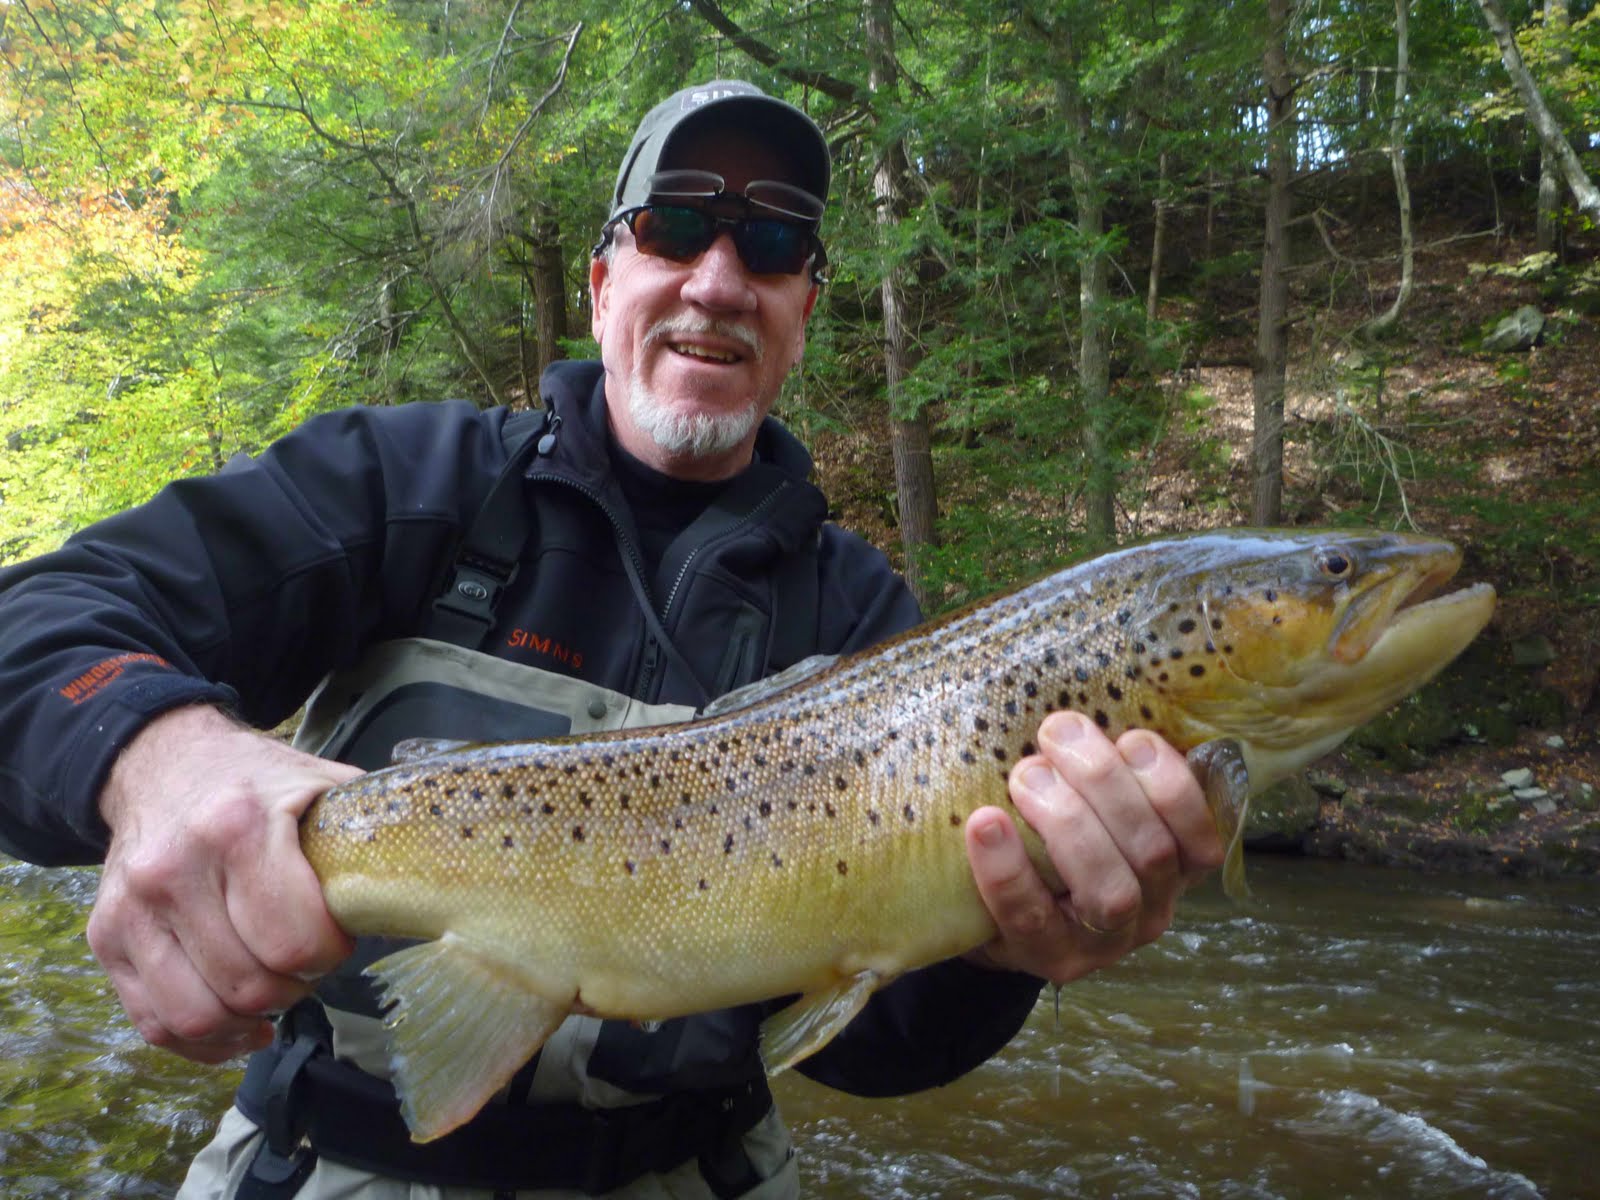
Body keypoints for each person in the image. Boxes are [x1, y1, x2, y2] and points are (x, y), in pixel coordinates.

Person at [0, 80, 1223, 1198]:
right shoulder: (405, 484)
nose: (720, 280)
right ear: (601, 282)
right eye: (676, 228)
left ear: (803, 311)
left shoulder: (866, 627)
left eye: (774, 245)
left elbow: (876, 1048)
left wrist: (1010, 952)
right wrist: (157, 758)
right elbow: (37, 621)